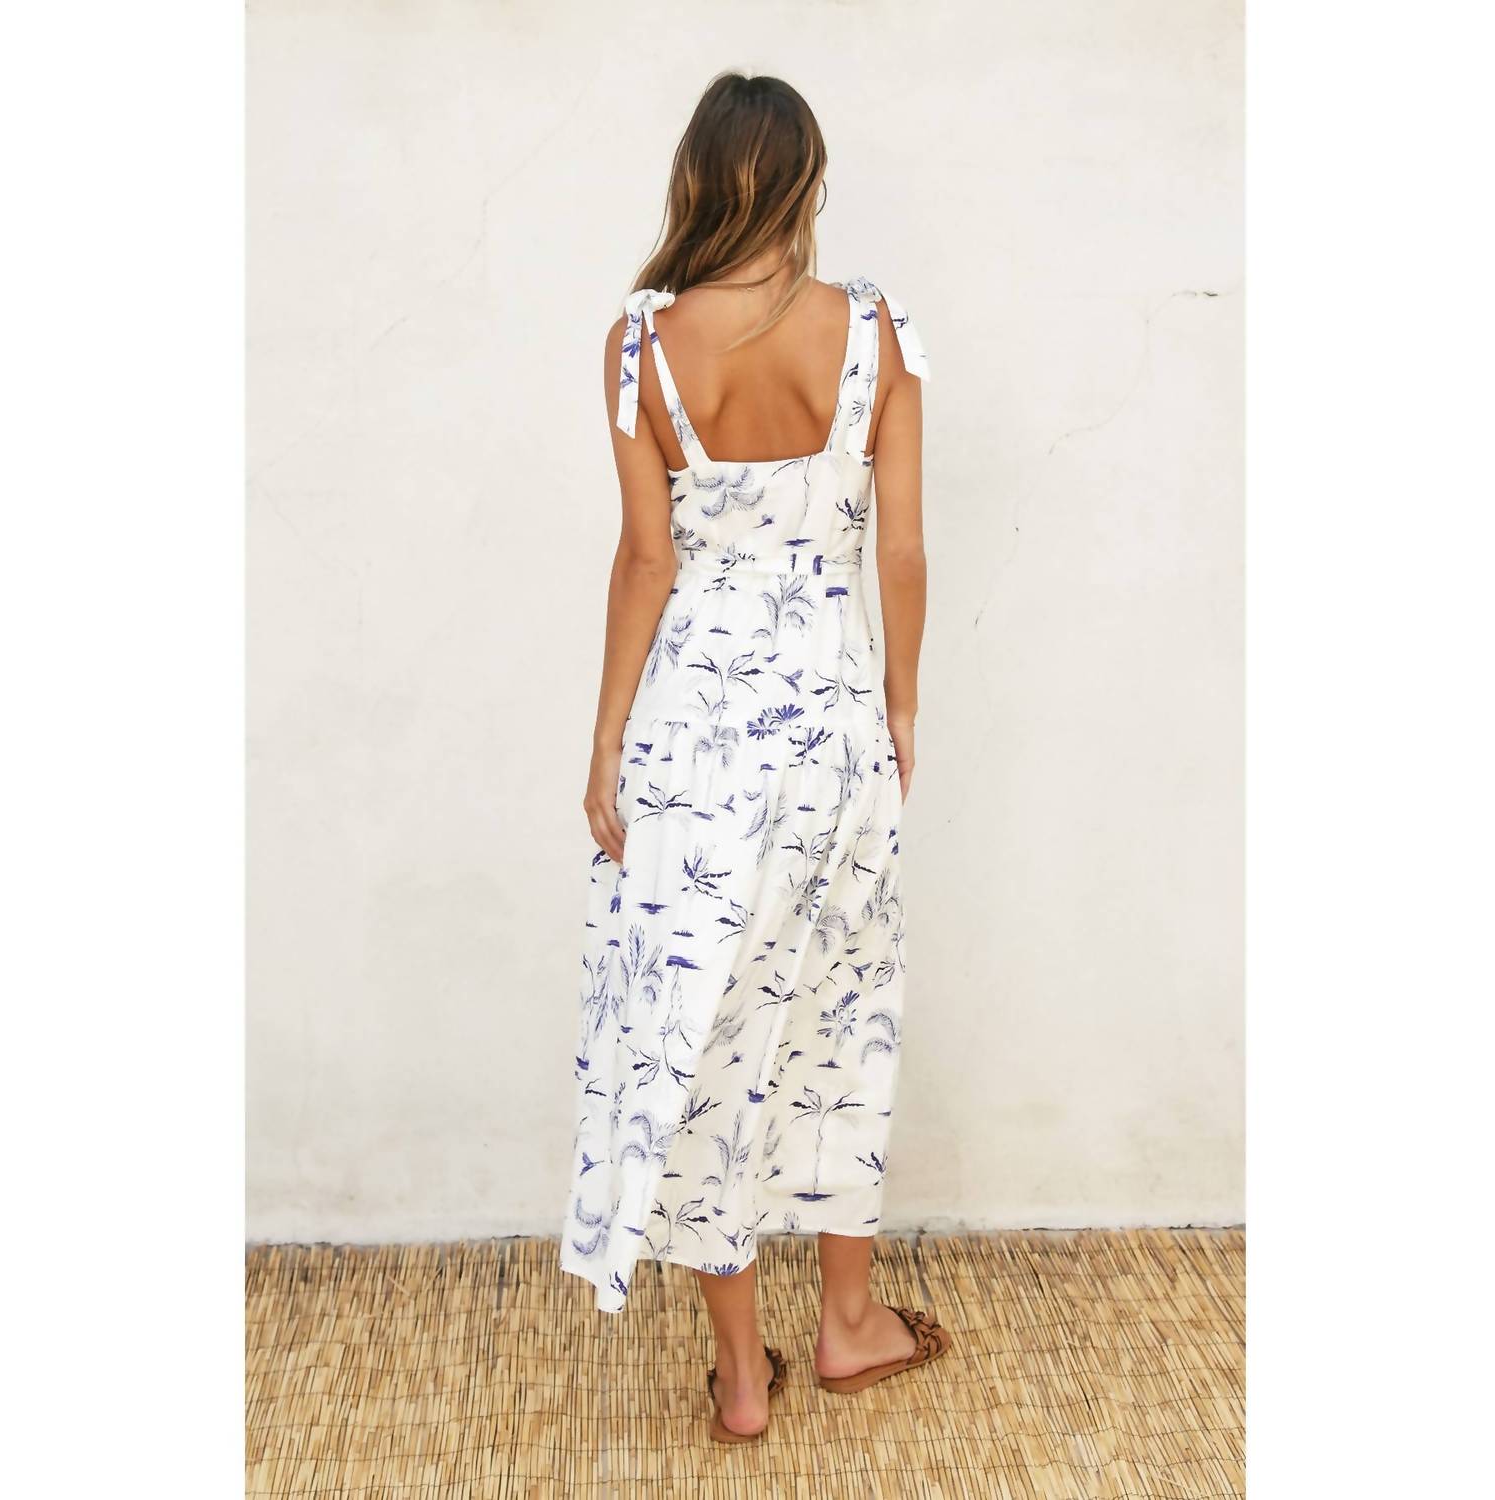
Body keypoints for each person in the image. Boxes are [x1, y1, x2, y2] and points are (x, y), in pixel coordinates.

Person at [561, 70, 948, 1443]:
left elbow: (644, 559)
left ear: (695, 179)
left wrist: (607, 739)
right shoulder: (873, 330)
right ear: (806, 184)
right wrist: (901, 704)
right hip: (831, 723)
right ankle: (848, 1325)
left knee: (706, 1033)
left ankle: (741, 1379)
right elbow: (902, 549)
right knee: (840, 1010)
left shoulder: (641, 342)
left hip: (692, 738)